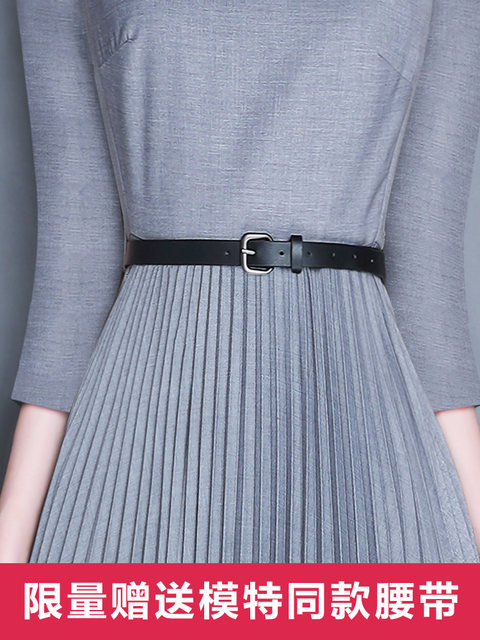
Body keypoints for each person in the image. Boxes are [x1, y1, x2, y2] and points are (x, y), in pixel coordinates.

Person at [1, 0, 480, 563]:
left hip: (362, 421)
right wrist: (12, 534)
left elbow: (427, 279)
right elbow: (75, 263)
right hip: (142, 425)